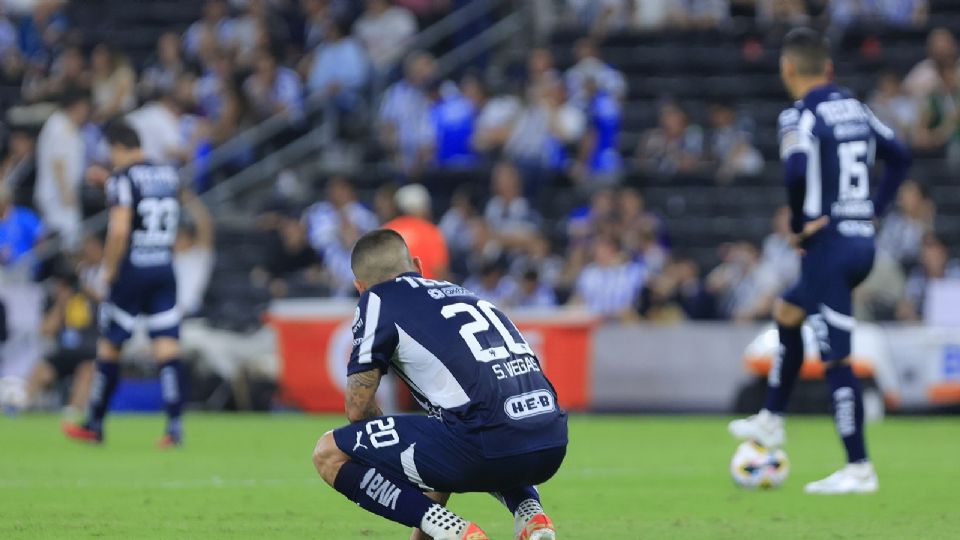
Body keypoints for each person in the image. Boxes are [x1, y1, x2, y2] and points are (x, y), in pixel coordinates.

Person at [728, 28, 911, 494]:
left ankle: (859, 467)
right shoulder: (857, 108)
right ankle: (771, 418)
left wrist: (799, 220)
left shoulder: (800, 115)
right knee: (787, 313)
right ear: (827, 68)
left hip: (827, 249)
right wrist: (873, 210)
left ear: (788, 68)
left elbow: (794, 168)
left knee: (836, 361)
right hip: (858, 242)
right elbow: (900, 156)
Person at [310, 229, 566, 540]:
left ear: (360, 287)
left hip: (483, 443)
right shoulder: (462, 292)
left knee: (328, 452)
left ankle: (454, 532)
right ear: (417, 266)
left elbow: (357, 407)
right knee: (460, 429)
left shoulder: (376, 299)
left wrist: (392, 464)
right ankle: (529, 512)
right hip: (551, 439)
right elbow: (445, 430)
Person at [63, 121, 189, 448]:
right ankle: (174, 426)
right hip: (163, 265)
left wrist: (108, 269)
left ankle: (94, 423)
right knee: (166, 346)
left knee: (110, 345)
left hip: (132, 270)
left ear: (117, 146)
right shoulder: (167, 174)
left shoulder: (121, 178)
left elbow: (119, 229)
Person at [35, 87, 89, 251]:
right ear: (78, 105)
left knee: (68, 239)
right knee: (67, 240)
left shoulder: (68, 125)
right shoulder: (58, 125)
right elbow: (57, 162)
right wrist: (65, 191)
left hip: (64, 192)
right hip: (57, 194)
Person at [383, 183, 449, 280]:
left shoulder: (385, 231)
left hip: (390, 292)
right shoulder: (431, 231)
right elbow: (439, 270)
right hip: (424, 292)